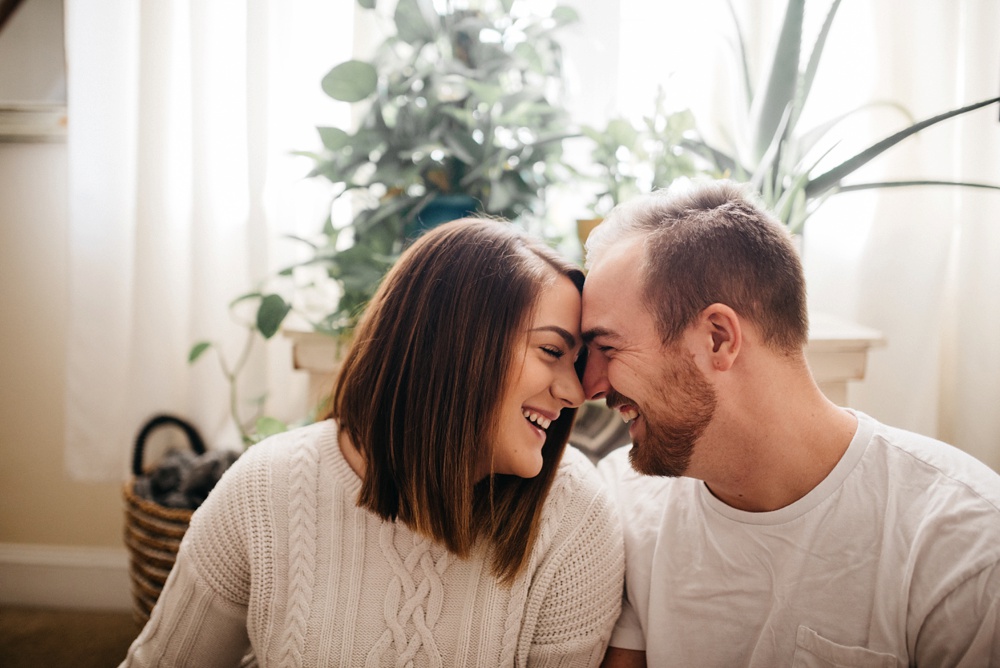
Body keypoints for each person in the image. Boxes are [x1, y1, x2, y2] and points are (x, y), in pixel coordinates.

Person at [120, 218, 625, 667]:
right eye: (552, 351)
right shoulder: (265, 487)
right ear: (452, 345)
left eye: (574, 361)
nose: (575, 391)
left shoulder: (575, 518)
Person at [581, 181, 1000, 667]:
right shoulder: (622, 508)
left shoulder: (963, 543)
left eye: (608, 348)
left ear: (719, 338)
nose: (589, 386)